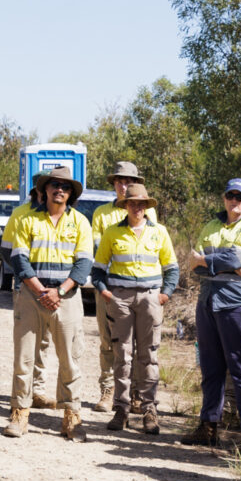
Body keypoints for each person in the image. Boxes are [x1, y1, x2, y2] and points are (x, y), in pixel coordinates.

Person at [0, 160, 96, 440]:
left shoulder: (80, 222)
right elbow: (18, 257)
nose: (60, 190)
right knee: (24, 358)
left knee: (70, 359)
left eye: (65, 187)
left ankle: (72, 417)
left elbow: (83, 263)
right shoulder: (27, 218)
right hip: (32, 296)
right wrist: (40, 290)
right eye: (55, 185)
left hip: (66, 298)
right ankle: (20, 413)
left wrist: (60, 291)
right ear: (45, 189)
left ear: (71, 194)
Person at [90, 180, 177, 433]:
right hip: (121, 300)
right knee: (122, 355)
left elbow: (171, 268)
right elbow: (97, 270)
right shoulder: (112, 232)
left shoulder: (159, 232)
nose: (137, 208)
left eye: (141, 204)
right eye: (132, 203)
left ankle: (149, 410)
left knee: (148, 355)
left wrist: (164, 295)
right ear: (125, 205)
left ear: (146, 206)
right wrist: (106, 292)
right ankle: (121, 410)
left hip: (150, 298)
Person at [190, 178, 241, 448]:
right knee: (211, 368)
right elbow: (194, 263)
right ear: (224, 198)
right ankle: (208, 426)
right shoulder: (211, 225)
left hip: (239, 305)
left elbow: (237, 259)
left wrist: (209, 260)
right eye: (230, 196)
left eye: (240, 197)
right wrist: (222, 262)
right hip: (208, 302)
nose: (234, 201)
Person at [88, 161, 153, 412]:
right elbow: (98, 251)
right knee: (108, 340)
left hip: (138, 288)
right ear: (113, 184)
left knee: (137, 341)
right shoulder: (102, 214)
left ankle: (135, 393)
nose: (123, 186)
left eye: (129, 181)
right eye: (119, 181)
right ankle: (107, 390)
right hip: (109, 287)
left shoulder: (149, 213)